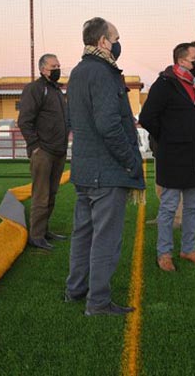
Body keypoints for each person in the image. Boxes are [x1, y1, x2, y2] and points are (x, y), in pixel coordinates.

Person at [64, 17, 145, 316]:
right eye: (116, 38)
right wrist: (130, 160)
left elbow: (74, 120)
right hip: (106, 172)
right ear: (102, 42)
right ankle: (97, 302)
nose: (119, 43)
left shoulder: (77, 72)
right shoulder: (103, 73)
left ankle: (76, 290)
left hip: (84, 170)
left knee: (83, 234)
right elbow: (109, 125)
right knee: (105, 239)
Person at [139, 41, 195, 272]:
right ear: (181, 61)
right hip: (173, 157)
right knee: (168, 208)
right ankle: (164, 253)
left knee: (193, 207)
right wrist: (168, 138)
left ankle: (188, 249)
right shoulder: (164, 84)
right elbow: (148, 117)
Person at [18, 54, 69, 251]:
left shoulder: (56, 90)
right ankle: (36, 236)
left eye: (58, 65)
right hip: (44, 152)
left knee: (52, 193)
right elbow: (24, 121)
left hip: (58, 151)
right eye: (53, 66)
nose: (57, 69)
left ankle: (44, 230)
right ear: (42, 69)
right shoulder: (35, 89)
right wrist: (35, 145)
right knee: (41, 195)